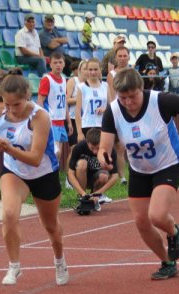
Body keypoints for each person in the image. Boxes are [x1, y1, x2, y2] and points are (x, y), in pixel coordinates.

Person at [98, 68, 179, 280]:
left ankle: (174, 232)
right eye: (123, 98)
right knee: (141, 221)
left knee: (156, 215)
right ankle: (167, 262)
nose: (128, 102)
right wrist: (103, 155)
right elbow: (105, 144)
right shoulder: (113, 111)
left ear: (142, 89)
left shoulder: (161, 101)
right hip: (139, 169)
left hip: (168, 163)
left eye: (133, 96)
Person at [0, 74, 68, 286]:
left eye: (17, 104)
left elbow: (35, 158)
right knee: (9, 213)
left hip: (43, 173)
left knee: (50, 225)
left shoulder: (40, 117)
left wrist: (9, 148)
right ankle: (14, 265)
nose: (12, 109)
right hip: (14, 171)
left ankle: (59, 259)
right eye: (7, 104)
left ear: (27, 97)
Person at [67, 128, 118, 208]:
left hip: (96, 178)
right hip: (81, 177)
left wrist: (99, 192)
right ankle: (83, 198)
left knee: (104, 176)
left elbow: (115, 176)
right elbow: (70, 173)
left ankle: (95, 198)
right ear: (87, 142)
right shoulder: (79, 148)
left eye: (98, 148)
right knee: (82, 164)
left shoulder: (109, 150)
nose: (95, 151)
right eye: (92, 148)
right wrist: (83, 193)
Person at [36, 52, 71, 162]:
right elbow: (40, 101)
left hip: (61, 121)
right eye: (55, 63)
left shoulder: (64, 80)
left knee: (58, 154)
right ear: (50, 65)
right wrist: (43, 120)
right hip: (51, 121)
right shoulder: (47, 79)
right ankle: (51, 176)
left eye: (60, 62)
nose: (58, 65)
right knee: (55, 152)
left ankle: (55, 176)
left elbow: (64, 102)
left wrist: (68, 122)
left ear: (64, 64)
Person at [106, 45, 130, 183]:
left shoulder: (133, 72)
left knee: (127, 145)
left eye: (124, 55)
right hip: (118, 113)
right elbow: (111, 96)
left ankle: (129, 174)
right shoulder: (112, 75)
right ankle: (121, 176)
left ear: (128, 57)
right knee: (117, 146)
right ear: (116, 58)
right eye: (119, 56)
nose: (122, 58)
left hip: (131, 112)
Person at [75, 58, 107, 144]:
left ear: (100, 69)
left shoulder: (106, 86)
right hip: (87, 125)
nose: (93, 72)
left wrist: (104, 109)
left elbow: (111, 106)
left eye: (95, 69)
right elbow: (78, 111)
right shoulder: (82, 87)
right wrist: (79, 132)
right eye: (90, 69)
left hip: (103, 125)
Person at [66, 60, 84, 147]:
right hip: (73, 118)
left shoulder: (93, 83)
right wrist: (80, 99)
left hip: (87, 120)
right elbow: (66, 100)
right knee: (74, 148)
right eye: (84, 69)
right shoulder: (73, 81)